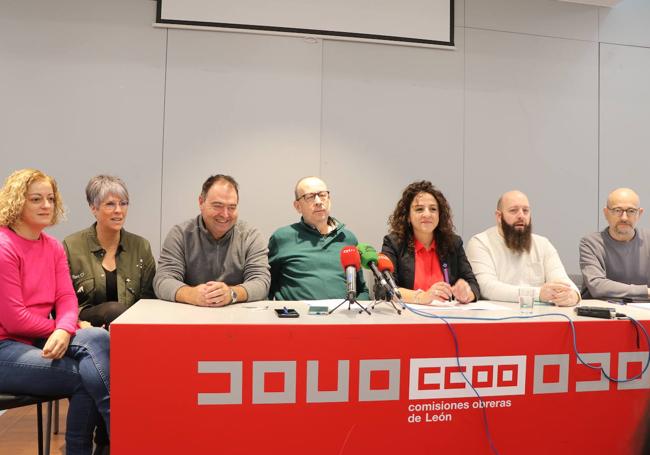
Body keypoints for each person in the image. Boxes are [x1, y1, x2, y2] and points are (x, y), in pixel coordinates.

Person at [0, 169, 110, 455]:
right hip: (4, 347)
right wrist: (60, 329)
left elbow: (65, 297)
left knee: (98, 337)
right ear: (16, 202)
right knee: (85, 376)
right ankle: (117, 429)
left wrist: (64, 327)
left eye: (50, 198)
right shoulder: (4, 247)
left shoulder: (52, 246)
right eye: (36, 199)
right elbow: (13, 318)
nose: (46, 205)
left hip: (37, 338)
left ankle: (110, 436)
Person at [154, 174, 270, 306]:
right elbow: (163, 280)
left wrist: (232, 294)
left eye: (232, 207)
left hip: (238, 318)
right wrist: (191, 294)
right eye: (217, 206)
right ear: (201, 202)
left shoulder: (251, 236)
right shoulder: (180, 234)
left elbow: (262, 282)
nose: (225, 214)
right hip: (190, 316)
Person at [63, 175, 156, 327]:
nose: (119, 211)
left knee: (118, 312)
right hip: (85, 326)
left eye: (123, 204)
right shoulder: (71, 246)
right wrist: (78, 324)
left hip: (129, 326)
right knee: (114, 310)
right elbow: (61, 301)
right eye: (110, 204)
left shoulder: (141, 246)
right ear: (93, 208)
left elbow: (148, 301)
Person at [466, 190, 579, 306]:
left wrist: (573, 295)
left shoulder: (543, 244)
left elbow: (562, 279)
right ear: (499, 216)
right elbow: (487, 287)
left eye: (525, 211)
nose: (521, 216)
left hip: (540, 318)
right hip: (496, 319)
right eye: (513, 211)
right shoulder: (480, 243)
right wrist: (538, 294)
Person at [268, 176, 369, 300]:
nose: (318, 201)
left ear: (329, 199)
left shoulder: (348, 238)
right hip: (299, 317)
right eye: (310, 197)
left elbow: (362, 290)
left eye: (322, 195)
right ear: (297, 206)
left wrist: (354, 311)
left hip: (343, 316)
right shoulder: (282, 237)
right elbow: (267, 286)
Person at [380, 181, 479, 304]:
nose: (427, 214)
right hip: (408, 318)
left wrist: (466, 293)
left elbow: (473, 285)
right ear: (408, 216)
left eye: (433, 209)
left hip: (449, 316)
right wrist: (423, 297)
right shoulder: (394, 243)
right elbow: (385, 288)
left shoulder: (453, 243)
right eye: (419, 209)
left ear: (439, 215)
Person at [580, 188, 650, 300]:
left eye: (631, 211)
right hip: (603, 313)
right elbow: (597, 286)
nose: (624, 217)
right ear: (606, 213)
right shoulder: (591, 243)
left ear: (639, 213)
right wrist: (645, 291)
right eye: (617, 210)